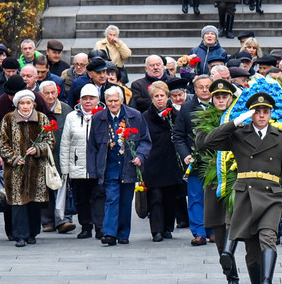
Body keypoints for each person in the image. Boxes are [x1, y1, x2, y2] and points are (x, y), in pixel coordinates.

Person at [200, 92, 282, 284]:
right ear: (250, 114)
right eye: (257, 111)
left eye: (265, 111)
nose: (261, 115)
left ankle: (267, 282)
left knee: (268, 237)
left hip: (271, 197)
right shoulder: (239, 135)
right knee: (252, 252)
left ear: (271, 114)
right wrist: (234, 123)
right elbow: (207, 142)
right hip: (246, 197)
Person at [88, 86, 152, 245]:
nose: (113, 103)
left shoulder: (134, 115)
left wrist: (140, 156)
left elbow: (145, 140)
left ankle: (123, 234)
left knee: (125, 201)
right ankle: (109, 233)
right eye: (110, 101)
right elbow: (92, 146)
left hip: (128, 166)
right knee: (111, 199)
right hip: (109, 167)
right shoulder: (99, 118)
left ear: (122, 100)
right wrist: (93, 170)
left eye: (116, 100)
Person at [0, 90, 55, 247]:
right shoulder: (8, 119)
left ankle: (32, 233)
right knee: (18, 202)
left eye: (28, 103)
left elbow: (50, 140)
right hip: (16, 170)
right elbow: (1, 143)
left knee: (34, 202)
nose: (26, 106)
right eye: (22, 103)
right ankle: (19, 234)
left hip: (37, 169)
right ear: (17, 105)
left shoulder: (42, 118)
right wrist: (14, 158)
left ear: (34, 104)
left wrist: (38, 149)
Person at [195, 79, 240, 284]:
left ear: (231, 98)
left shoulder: (241, 117)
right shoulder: (205, 118)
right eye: (217, 97)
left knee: (236, 225)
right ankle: (231, 275)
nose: (221, 100)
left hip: (237, 178)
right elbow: (203, 143)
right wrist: (229, 127)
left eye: (225, 96)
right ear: (212, 98)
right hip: (214, 180)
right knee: (219, 230)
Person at [59, 84, 107, 240]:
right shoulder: (71, 117)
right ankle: (86, 226)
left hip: (97, 166)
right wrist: (65, 169)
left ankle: (100, 227)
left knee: (99, 197)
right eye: (84, 98)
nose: (88, 102)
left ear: (97, 100)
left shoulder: (103, 115)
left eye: (91, 98)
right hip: (78, 165)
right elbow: (65, 143)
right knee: (82, 199)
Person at [172, 74, 213, 246]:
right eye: (200, 87)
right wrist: (185, 155)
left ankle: (213, 230)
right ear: (194, 90)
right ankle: (199, 232)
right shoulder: (187, 108)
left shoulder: (220, 104)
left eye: (208, 87)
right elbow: (178, 136)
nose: (205, 90)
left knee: (213, 197)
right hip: (195, 161)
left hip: (214, 161)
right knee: (196, 197)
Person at [141, 81, 184, 242]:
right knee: (156, 197)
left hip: (171, 162)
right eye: (156, 96)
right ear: (151, 98)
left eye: (163, 96)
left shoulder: (175, 114)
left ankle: (167, 227)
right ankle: (156, 230)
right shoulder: (145, 116)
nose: (160, 99)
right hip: (153, 163)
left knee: (170, 197)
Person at [38, 81, 75, 234]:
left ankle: (64, 218)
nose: (50, 96)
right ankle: (48, 221)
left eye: (53, 92)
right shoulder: (36, 109)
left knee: (63, 186)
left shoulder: (66, 110)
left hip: (61, 154)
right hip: (44, 156)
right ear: (41, 94)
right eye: (46, 93)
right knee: (45, 187)